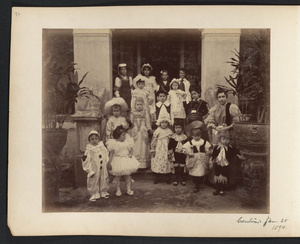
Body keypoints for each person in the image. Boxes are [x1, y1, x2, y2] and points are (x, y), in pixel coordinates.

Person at [106, 125, 140, 196]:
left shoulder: (127, 142)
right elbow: (111, 154)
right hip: (118, 160)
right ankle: (118, 190)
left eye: (125, 135)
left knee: (128, 176)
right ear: (118, 135)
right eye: (123, 135)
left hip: (126, 160)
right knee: (118, 177)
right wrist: (109, 162)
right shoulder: (114, 143)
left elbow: (130, 150)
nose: (125, 136)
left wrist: (130, 154)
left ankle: (128, 189)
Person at [209, 130, 243, 196]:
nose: (226, 141)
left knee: (224, 176)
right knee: (217, 175)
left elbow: (236, 152)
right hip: (218, 164)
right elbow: (214, 155)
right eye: (223, 139)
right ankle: (217, 189)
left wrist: (240, 155)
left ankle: (222, 189)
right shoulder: (217, 147)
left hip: (226, 165)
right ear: (220, 139)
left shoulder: (231, 147)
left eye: (227, 139)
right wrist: (211, 162)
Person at [183, 121, 212, 193]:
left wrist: (208, 151)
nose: (196, 137)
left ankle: (199, 182)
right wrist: (189, 153)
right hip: (194, 160)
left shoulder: (204, 142)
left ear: (201, 135)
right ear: (192, 136)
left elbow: (208, 148)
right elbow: (184, 149)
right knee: (195, 173)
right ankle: (196, 184)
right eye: (194, 136)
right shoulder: (190, 143)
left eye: (198, 135)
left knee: (201, 172)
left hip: (202, 160)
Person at [82, 130, 110, 201]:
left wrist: (107, 163)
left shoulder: (102, 147)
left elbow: (106, 155)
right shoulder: (89, 149)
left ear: (98, 139)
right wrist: (89, 170)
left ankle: (103, 192)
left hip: (102, 167)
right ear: (89, 140)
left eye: (96, 139)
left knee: (103, 178)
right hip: (94, 168)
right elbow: (85, 160)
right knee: (93, 180)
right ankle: (94, 194)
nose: (94, 140)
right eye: (92, 139)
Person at [150, 114, 173, 184]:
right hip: (159, 149)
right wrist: (153, 149)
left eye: (166, 123)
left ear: (168, 123)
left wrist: (171, 149)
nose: (164, 124)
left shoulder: (169, 131)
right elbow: (154, 140)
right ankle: (157, 177)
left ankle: (167, 177)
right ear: (160, 123)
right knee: (158, 161)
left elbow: (172, 141)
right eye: (162, 122)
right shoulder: (157, 131)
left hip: (166, 149)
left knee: (167, 161)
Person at [130, 97, 152, 169]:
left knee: (143, 145)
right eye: (137, 104)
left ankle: (143, 163)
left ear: (143, 105)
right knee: (136, 146)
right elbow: (131, 122)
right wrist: (131, 128)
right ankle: (135, 162)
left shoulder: (145, 112)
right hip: (135, 130)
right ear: (135, 105)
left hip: (143, 130)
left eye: (140, 104)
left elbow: (148, 121)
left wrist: (148, 128)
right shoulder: (132, 112)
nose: (139, 106)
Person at [168, 118, 188, 186]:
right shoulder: (173, 137)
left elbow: (187, 145)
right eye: (176, 128)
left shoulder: (184, 137)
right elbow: (170, 145)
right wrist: (170, 150)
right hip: (175, 154)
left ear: (182, 128)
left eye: (179, 127)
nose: (178, 129)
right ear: (174, 128)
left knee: (182, 166)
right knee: (176, 166)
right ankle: (176, 179)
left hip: (182, 154)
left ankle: (182, 178)